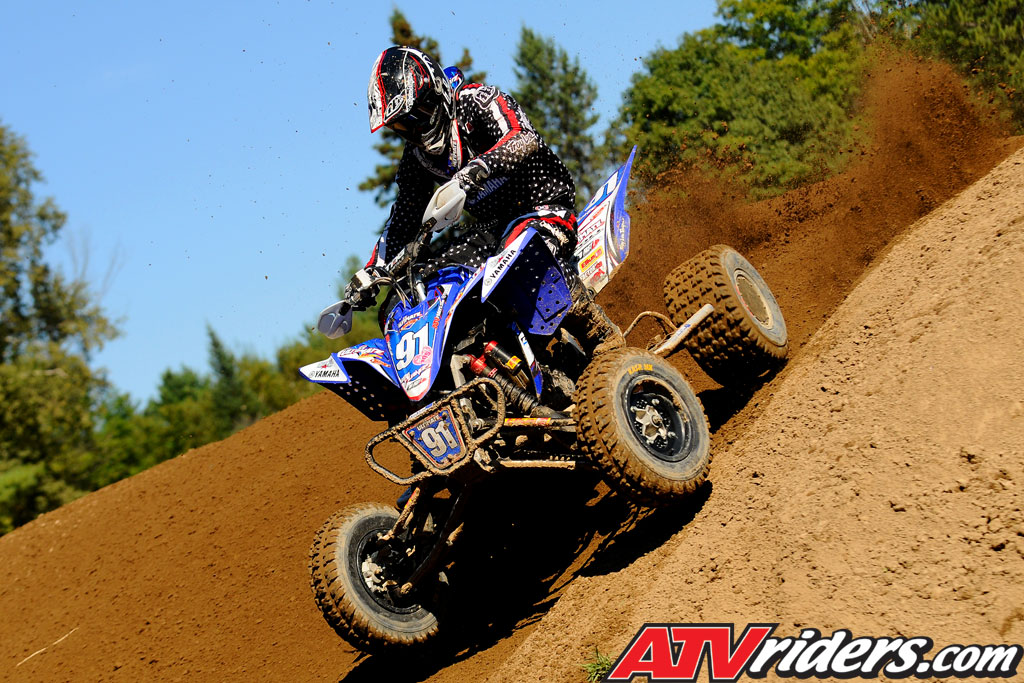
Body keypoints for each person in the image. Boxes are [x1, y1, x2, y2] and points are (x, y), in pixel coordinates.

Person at [349, 45, 621, 353]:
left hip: (544, 205)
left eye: (418, 114)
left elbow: (524, 138)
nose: (416, 129)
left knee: (519, 252)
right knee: (421, 287)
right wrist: (373, 270)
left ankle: (598, 332)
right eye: (402, 125)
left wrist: (475, 171)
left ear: (437, 92)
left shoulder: (477, 101)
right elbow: (405, 216)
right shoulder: (416, 158)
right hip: (493, 230)